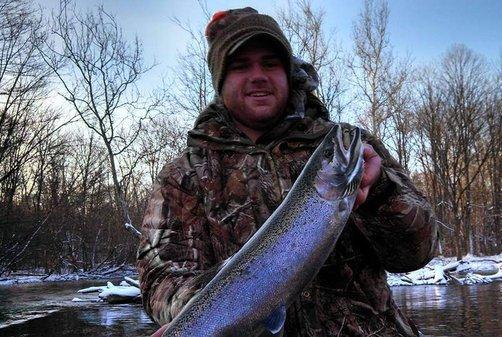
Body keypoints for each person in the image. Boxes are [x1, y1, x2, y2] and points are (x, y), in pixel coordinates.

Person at [137, 7, 437, 337]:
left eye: (270, 63)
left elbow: (417, 253)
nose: (258, 76)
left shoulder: (350, 147)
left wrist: (379, 192)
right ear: (221, 81)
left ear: (288, 72)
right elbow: (161, 277)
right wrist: (202, 318)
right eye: (240, 66)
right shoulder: (184, 176)